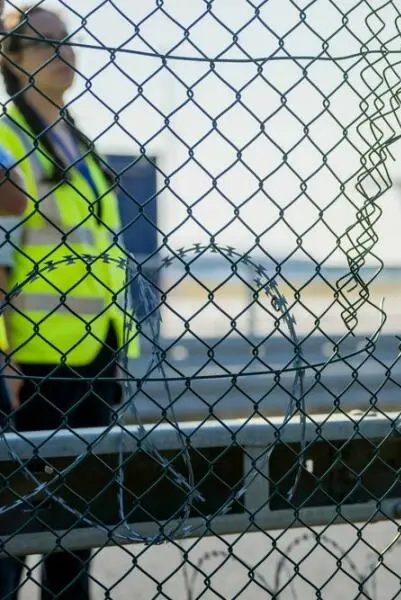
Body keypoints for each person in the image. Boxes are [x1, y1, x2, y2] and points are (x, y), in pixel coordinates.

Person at [0, 5, 140, 599]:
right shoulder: (8, 140)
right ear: (11, 57)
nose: (66, 54)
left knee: (76, 534)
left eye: (68, 42)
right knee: (15, 532)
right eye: (45, 43)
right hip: (30, 366)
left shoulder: (74, 141)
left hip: (94, 357)